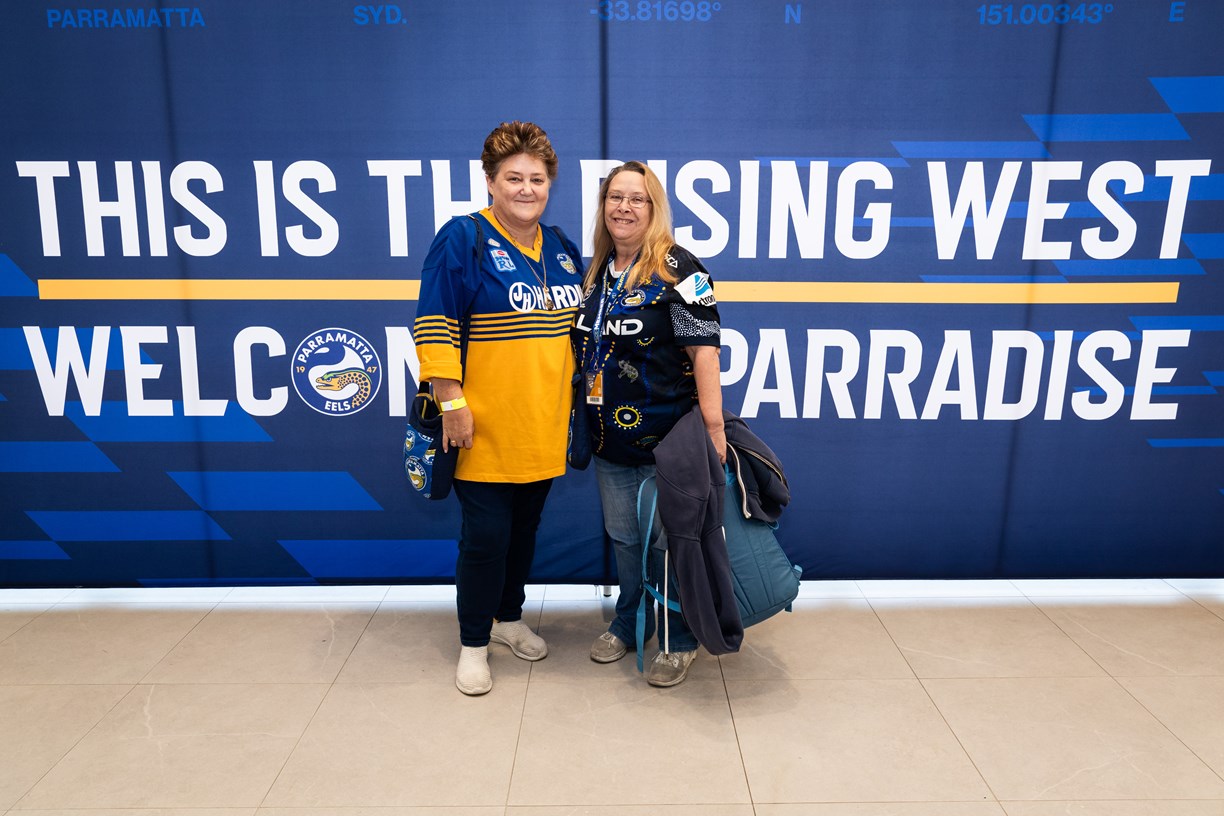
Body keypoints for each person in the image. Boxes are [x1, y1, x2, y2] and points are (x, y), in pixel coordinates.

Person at [414, 121, 584, 695]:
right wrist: (452, 403)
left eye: (537, 178)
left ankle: (508, 618)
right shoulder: (463, 237)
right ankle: (472, 644)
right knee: (485, 538)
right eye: (513, 178)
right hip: (481, 426)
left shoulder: (560, 247)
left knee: (524, 532)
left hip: (543, 424)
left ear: (550, 184)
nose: (526, 189)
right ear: (490, 181)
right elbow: (434, 323)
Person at [570, 161, 725, 687]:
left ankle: (679, 638)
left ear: (654, 208)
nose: (624, 207)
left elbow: (705, 351)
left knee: (669, 543)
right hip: (609, 442)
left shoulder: (681, 268)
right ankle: (628, 618)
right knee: (624, 540)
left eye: (637, 198)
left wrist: (714, 429)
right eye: (615, 197)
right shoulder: (596, 271)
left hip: (669, 442)